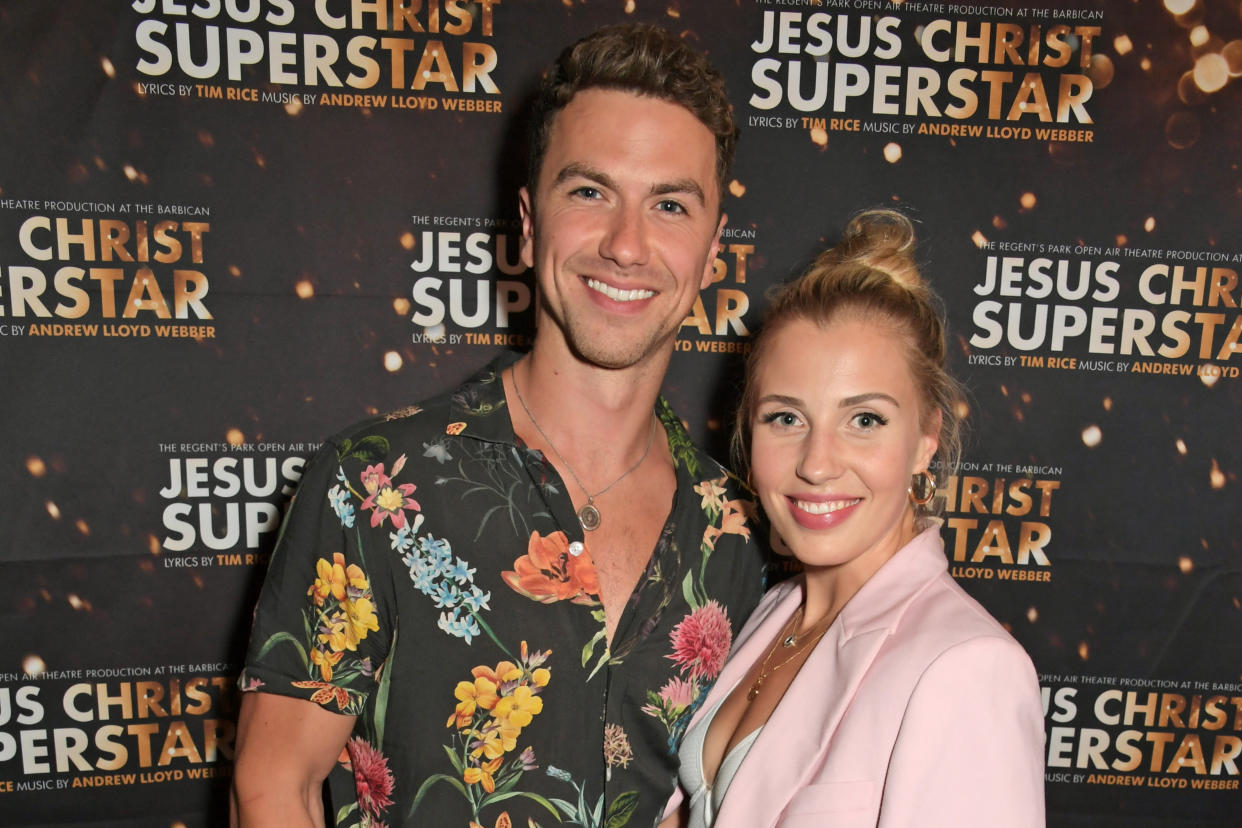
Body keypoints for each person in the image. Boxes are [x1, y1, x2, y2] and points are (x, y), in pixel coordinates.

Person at [228, 22, 765, 828]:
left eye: (670, 205)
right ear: (528, 220)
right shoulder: (375, 482)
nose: (626, 244)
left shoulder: (743, 532)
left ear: (713, 247)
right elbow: (274, 789)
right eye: (590, 192)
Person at [660, 210, 1045, 827]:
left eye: (864, 420)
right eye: (786, 418)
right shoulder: (771, 610)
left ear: (925, 439)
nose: (817, 464)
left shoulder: (965, 668)